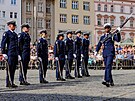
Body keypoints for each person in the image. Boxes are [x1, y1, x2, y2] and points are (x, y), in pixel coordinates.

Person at [95, 23, 121, 87]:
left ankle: (106, 80)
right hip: (105, 53)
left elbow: (118, 40)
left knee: (108, 66)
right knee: (107, 67)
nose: (107, 29)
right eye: (106, 28)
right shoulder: (103, 37)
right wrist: (96, 51)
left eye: (108, 28)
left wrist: (118, 33)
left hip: (110, 53)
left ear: (110, 29)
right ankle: (111, 81)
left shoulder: (112, 35)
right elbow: (99, 44)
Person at [1, 21, 18, 88]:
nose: (14, 27)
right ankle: (8, 82)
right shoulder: (7, 33)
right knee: (9, 68)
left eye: (14, 26)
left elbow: (17, 45)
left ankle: (12, 82)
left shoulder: (15, 34)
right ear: (10, 26)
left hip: (15, 53)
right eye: (13, 25)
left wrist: (18, 54)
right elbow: (3, 43)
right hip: (10, 53)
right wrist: (3, 53)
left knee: (13, 68)